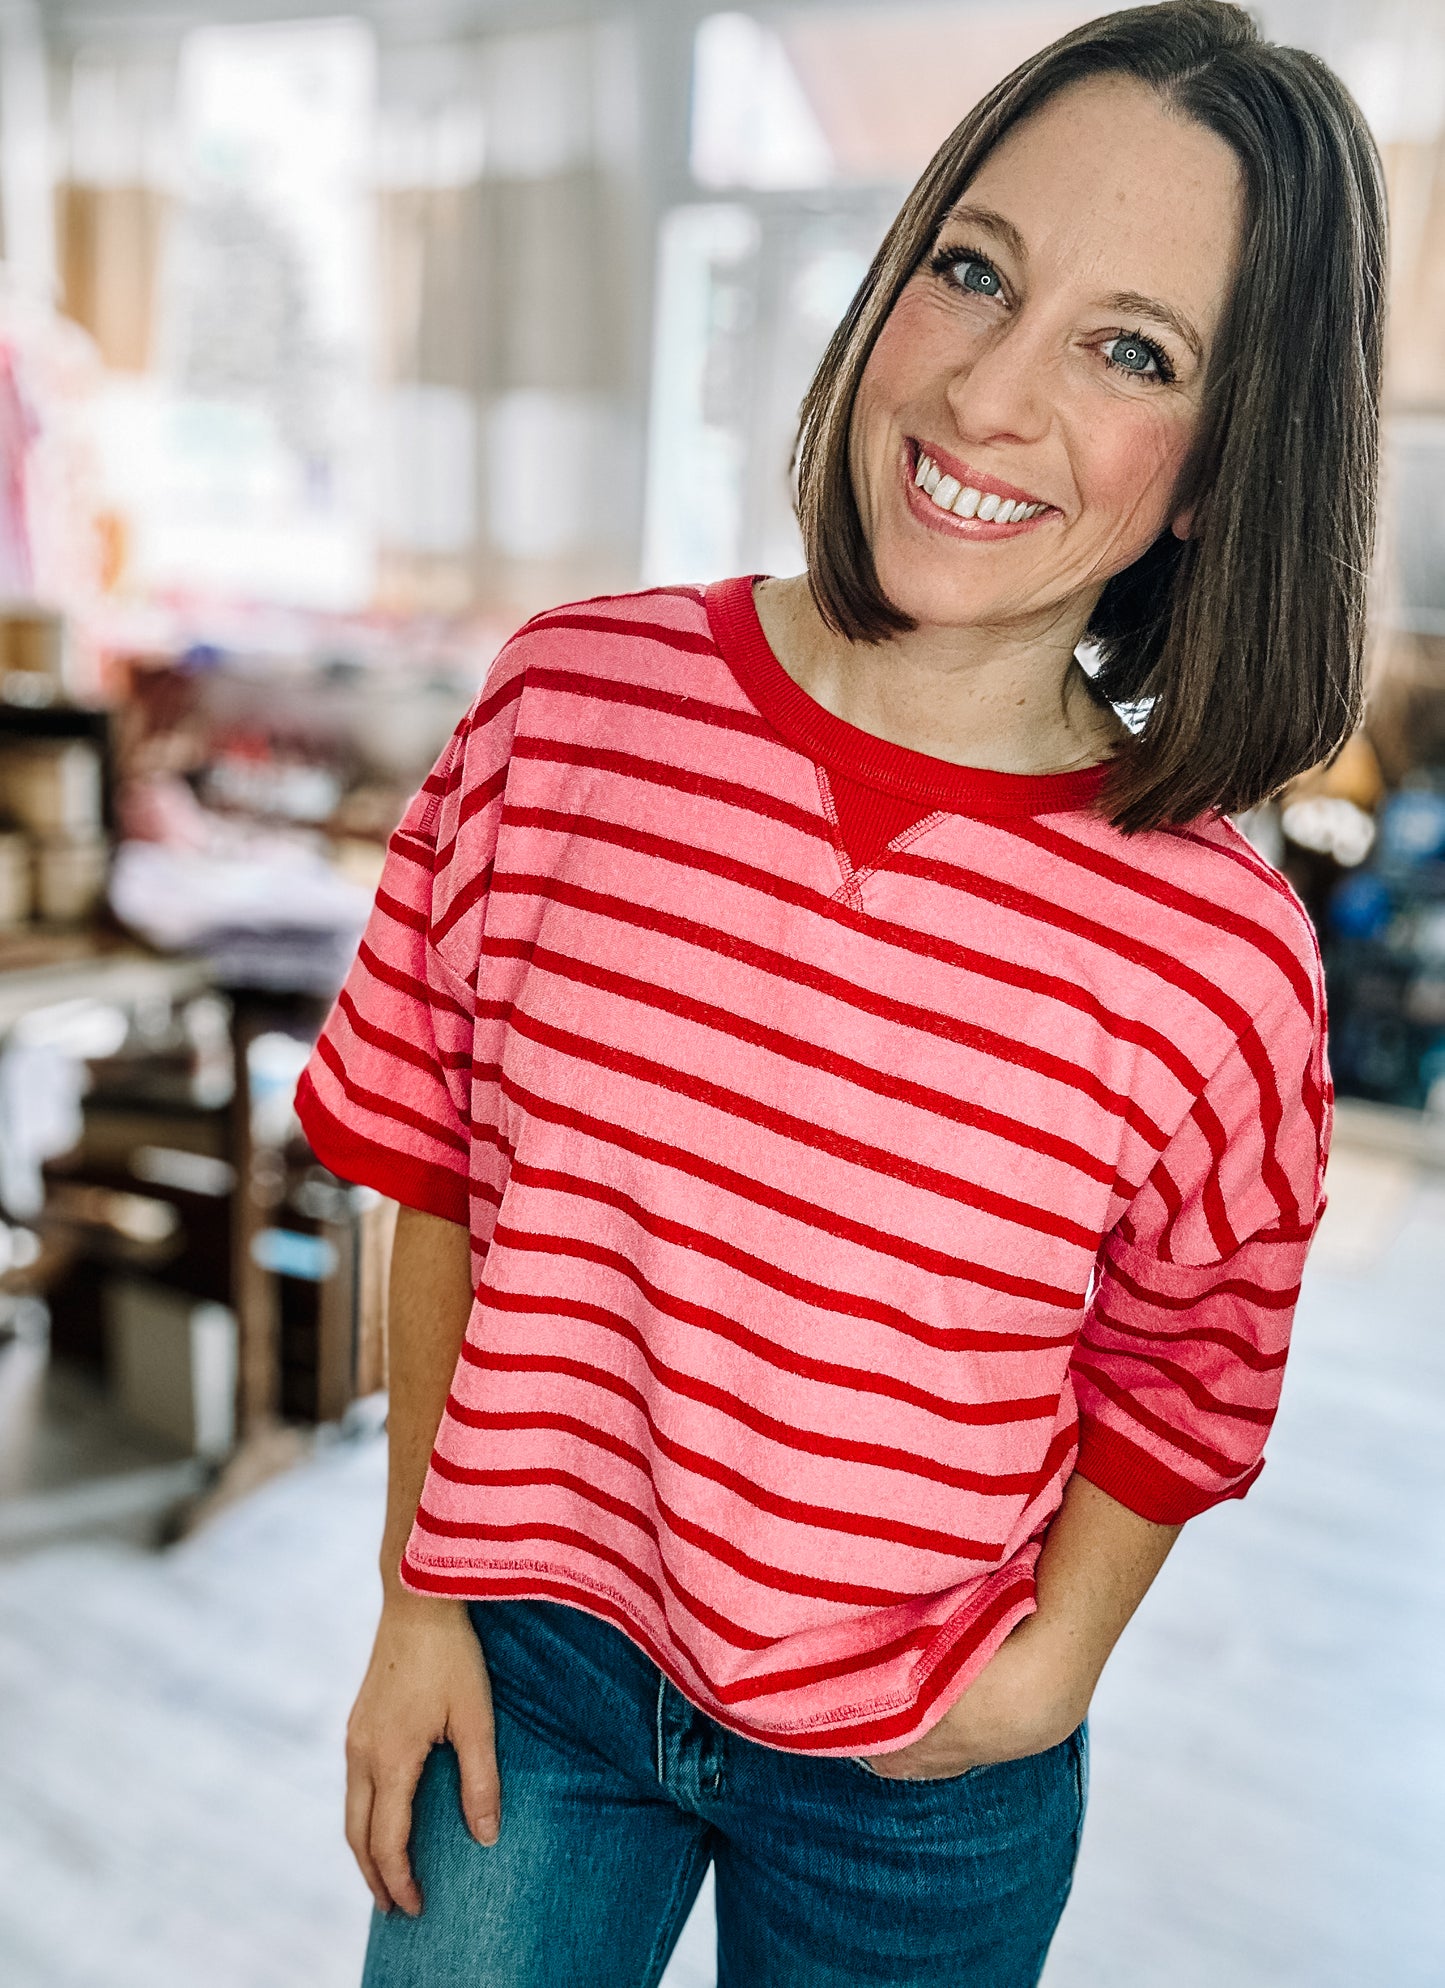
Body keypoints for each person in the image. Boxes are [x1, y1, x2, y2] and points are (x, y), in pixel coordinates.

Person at [296, 4, 1386, 1982]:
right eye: (974, 270)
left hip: (920, 1768)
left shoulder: (1218, 949)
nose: (988, 390)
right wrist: (414, 1594)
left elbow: (1189, 1360)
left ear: (1221, 470)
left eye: (1131, 350)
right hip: (528, 1671)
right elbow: (436, 1164)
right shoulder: (570, 707)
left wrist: (1050, 1670)